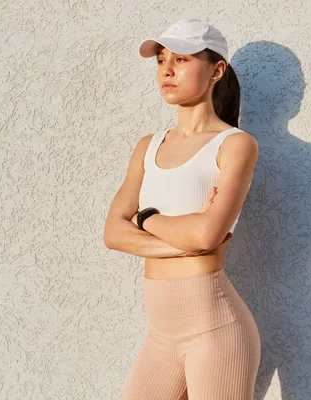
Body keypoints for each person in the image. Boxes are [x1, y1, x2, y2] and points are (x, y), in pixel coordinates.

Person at [103, 18, 260, 400]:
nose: (166, 70)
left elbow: (207, 234)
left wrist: (147, 219)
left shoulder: (235, 145)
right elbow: (112, 234)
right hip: (160, 332)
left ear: (216, 71)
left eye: (182, 59)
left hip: (215, 329)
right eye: (160, 60)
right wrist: (185, 244)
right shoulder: (148, 146)